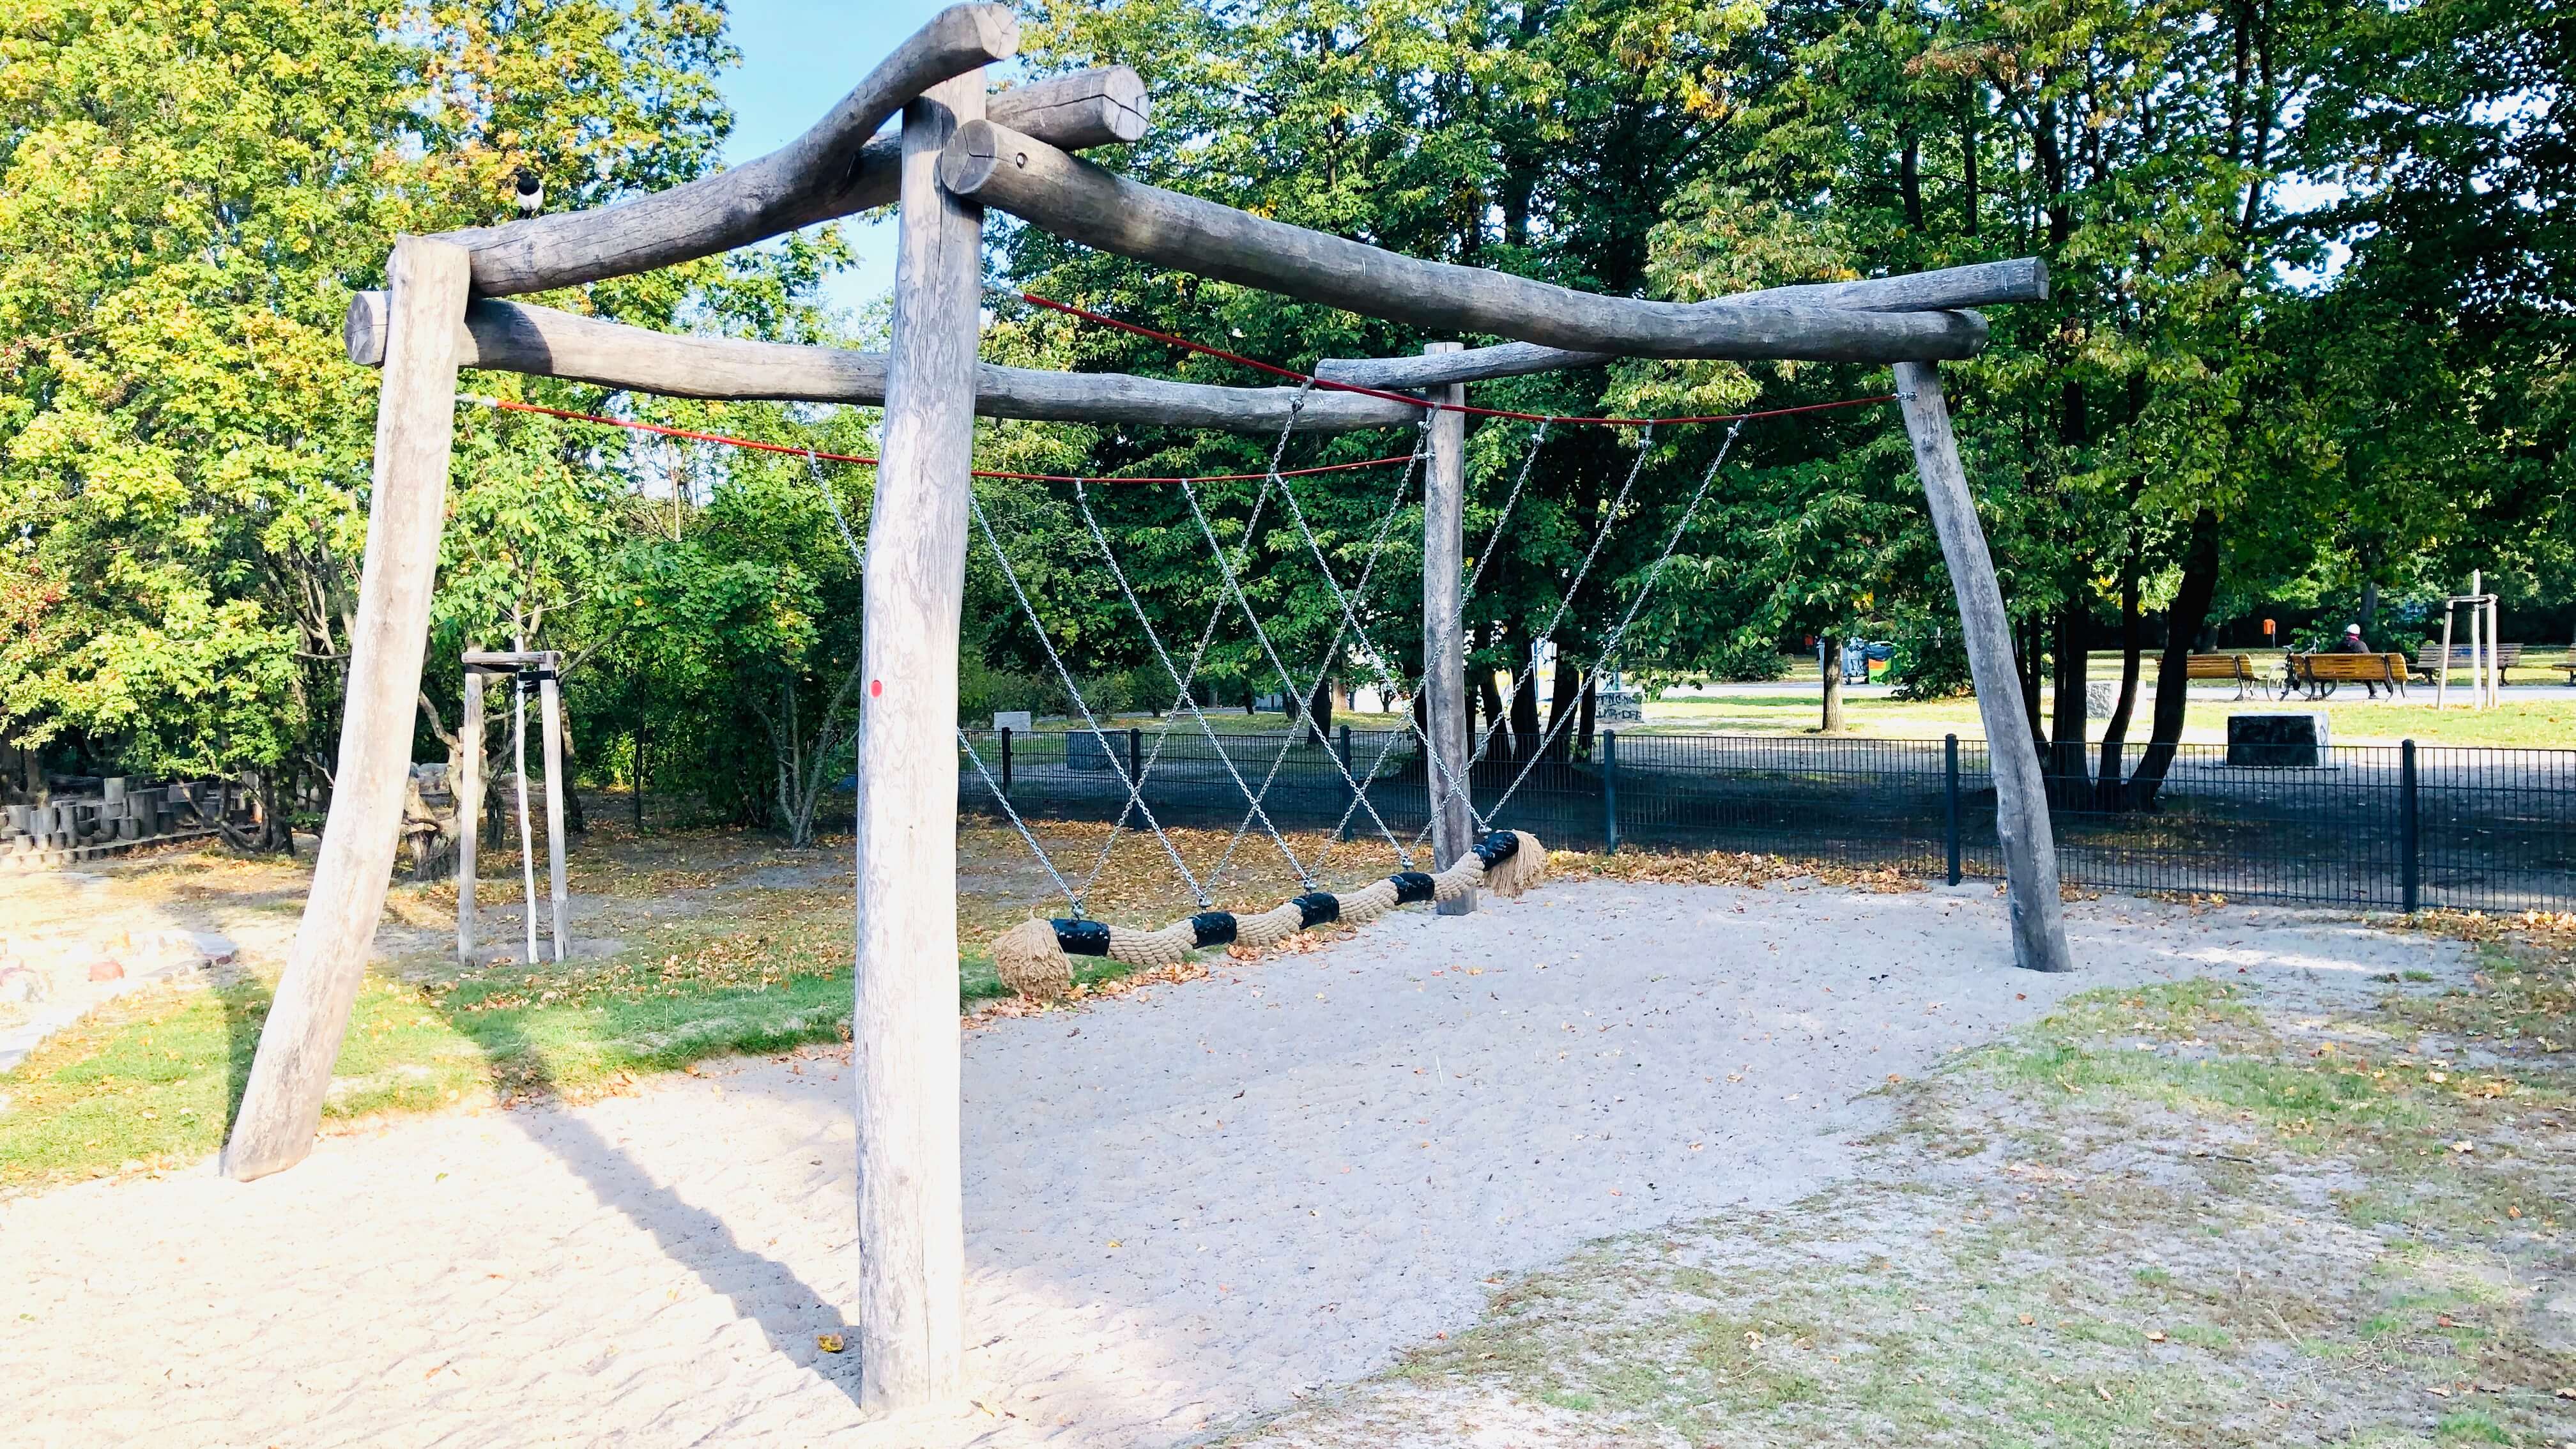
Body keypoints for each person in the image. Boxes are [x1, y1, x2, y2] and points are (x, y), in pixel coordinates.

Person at [2334, 622, 2384, 698]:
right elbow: (2371, 658)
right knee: (2379, 669)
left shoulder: (2340, 644)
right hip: (2359, 671)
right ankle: (2380, 691)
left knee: (2365, 670)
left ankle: (2374, 692)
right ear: (2357, 635)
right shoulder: (2360, 645)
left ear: (2347, 633)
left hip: (2341, 671)